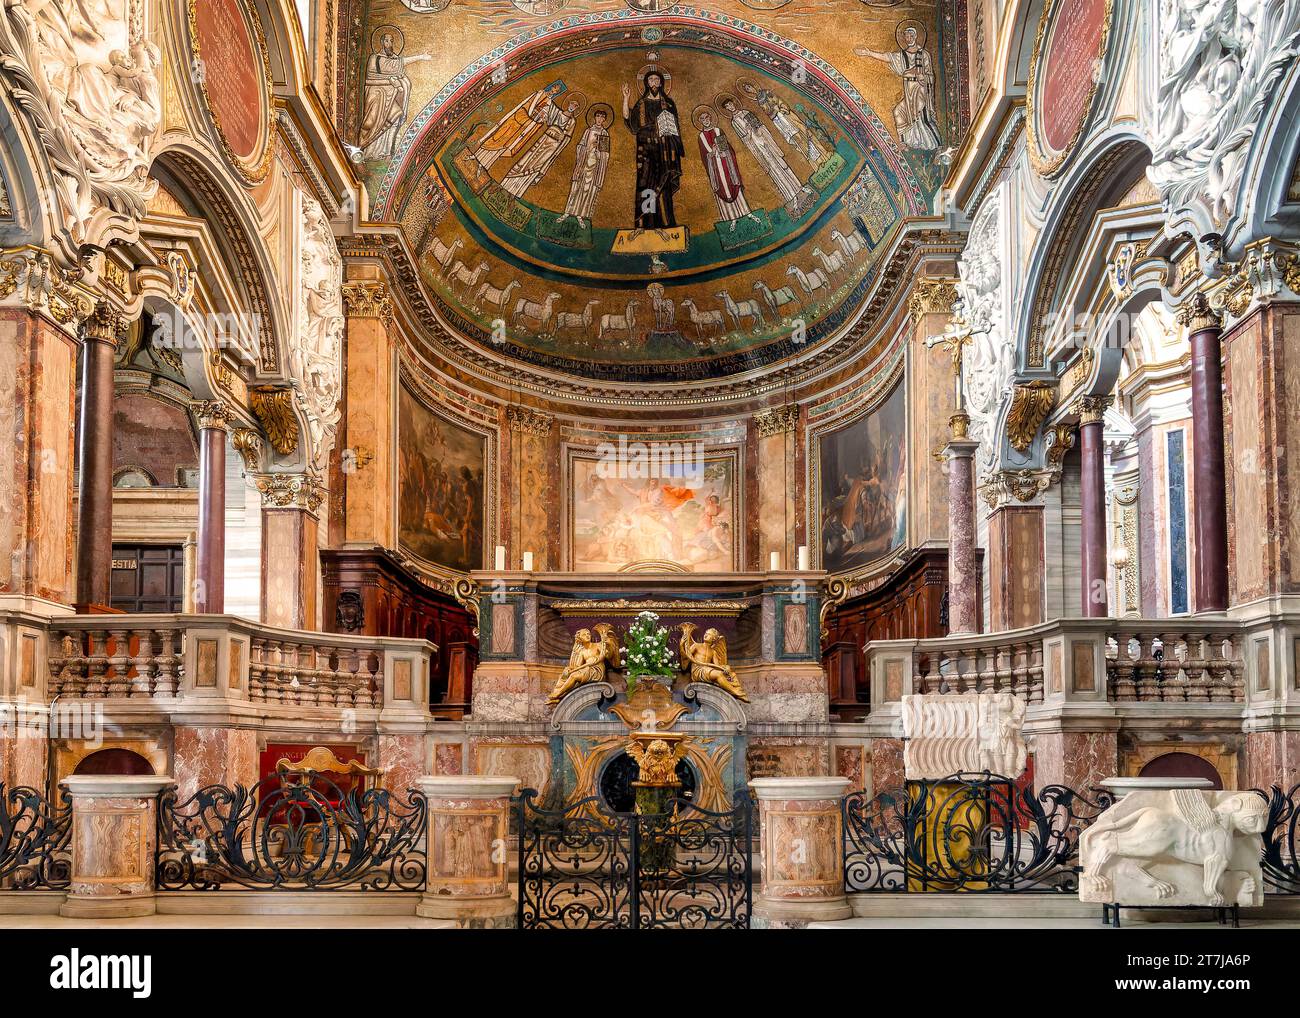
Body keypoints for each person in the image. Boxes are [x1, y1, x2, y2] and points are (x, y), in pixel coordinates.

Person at [622, 71, 684, 230]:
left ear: (661, 83)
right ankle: (647, 224)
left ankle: (667, 224)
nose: (654, 82)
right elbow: (631, 123)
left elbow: (675, 128)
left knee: (664, 185)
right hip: (646, 149)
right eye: (651, 79)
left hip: (664, 148)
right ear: (647, 83)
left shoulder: (669, 103)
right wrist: (626, 98)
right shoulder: (641, 103)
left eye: (657, 79)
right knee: (646, 184)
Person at [358, 32, 431, 159]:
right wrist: (420, 57)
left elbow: (398, 67)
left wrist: (395, 82)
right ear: (381, 43)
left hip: (389, 97)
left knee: (396, 117)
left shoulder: (394, 59)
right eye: (387, 41)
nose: (389, 44)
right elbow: (373, 78)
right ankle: (369, 152)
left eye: (391, 41)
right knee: (373, 122)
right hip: (377, 96)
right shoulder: (375, 59)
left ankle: (386, 153)